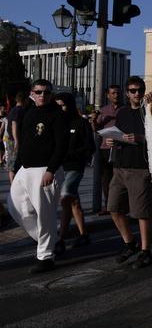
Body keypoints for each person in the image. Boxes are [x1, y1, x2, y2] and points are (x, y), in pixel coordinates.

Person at [7, 79, 69, 273]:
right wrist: (16, 167)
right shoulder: (28, 113)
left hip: (45, 169)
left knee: (45, 215)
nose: (43, 95)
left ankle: (46, 256)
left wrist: (51, 170)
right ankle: (52, 241)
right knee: (16, 206)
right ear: (31, 94)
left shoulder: (57, 115)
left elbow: (61, 145)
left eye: (47, 93)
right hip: (25, 168)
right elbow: (24, 143)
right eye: (39, 92)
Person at [106, 77, 152, 269]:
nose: (137, 94)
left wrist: (141, 138)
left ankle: (145, 251)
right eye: (133, 91)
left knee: (141, 212)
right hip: (119, 167)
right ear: (127, 93)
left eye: (140, 90)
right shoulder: (123, 113)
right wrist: (112, 140)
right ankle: (130, 243)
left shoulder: (149, 110)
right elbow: (118, 134)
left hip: (139, 168)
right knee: (113, 208)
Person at [53, 92, 96, 254]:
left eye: (62, 105)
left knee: (65, 198)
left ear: (69, 105)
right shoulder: (56, 123)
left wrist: (72, 154)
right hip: (58, 168)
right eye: (56, 105)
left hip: (74, 167)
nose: (59, 109)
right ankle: (84, 234)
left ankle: (61, 239)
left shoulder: (81, 123)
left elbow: (90, 147)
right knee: (73, 202)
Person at [91, 85, 123, 215]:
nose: (116, 95)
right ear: (108, 96)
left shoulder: (125, 109)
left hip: (121, 148)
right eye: (113, 93)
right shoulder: (104, 111)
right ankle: (108, 206)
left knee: (120, 178)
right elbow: (97, 129)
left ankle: (121, 205)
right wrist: (94, 120)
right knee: (106, 178)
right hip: (105, 148)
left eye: (118, 93)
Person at [5, 92, 27, 183]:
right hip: (14, 141)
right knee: (14, 165)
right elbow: (14, 124)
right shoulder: (19, 110)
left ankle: (14, 186)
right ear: (24, 100)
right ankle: (13, 187)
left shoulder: (13, 110)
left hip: (11, 140)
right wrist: (16, 140)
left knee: (14, 164)